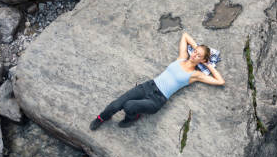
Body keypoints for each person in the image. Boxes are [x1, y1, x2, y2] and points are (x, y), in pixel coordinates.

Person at [90, 32, 225, 129]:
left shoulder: (196, 74)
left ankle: (132, 117)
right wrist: (198, 48)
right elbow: (185, 35)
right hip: (148, 86)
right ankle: (102, 118)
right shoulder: (182, 57)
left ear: (202, 60)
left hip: (157, 100)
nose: (194, 54)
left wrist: (207, 64)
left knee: (129, 106)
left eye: (198, 55)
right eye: (195, 51)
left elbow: (220, 81)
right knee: (116, 104)